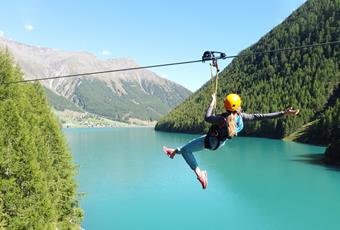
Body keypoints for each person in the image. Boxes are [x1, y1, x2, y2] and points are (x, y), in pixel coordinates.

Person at [163, 93, 299, 189]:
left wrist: (212, 102)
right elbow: (262, 116)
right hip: (218, 143)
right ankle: (173, 152)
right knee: (189, 146)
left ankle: (201, 174)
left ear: (226, 106)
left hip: (210, 141)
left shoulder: (222, 119)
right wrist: (283, 113)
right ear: (237, 107)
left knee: (187, 150)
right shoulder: (242, 117)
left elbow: (207, 117)